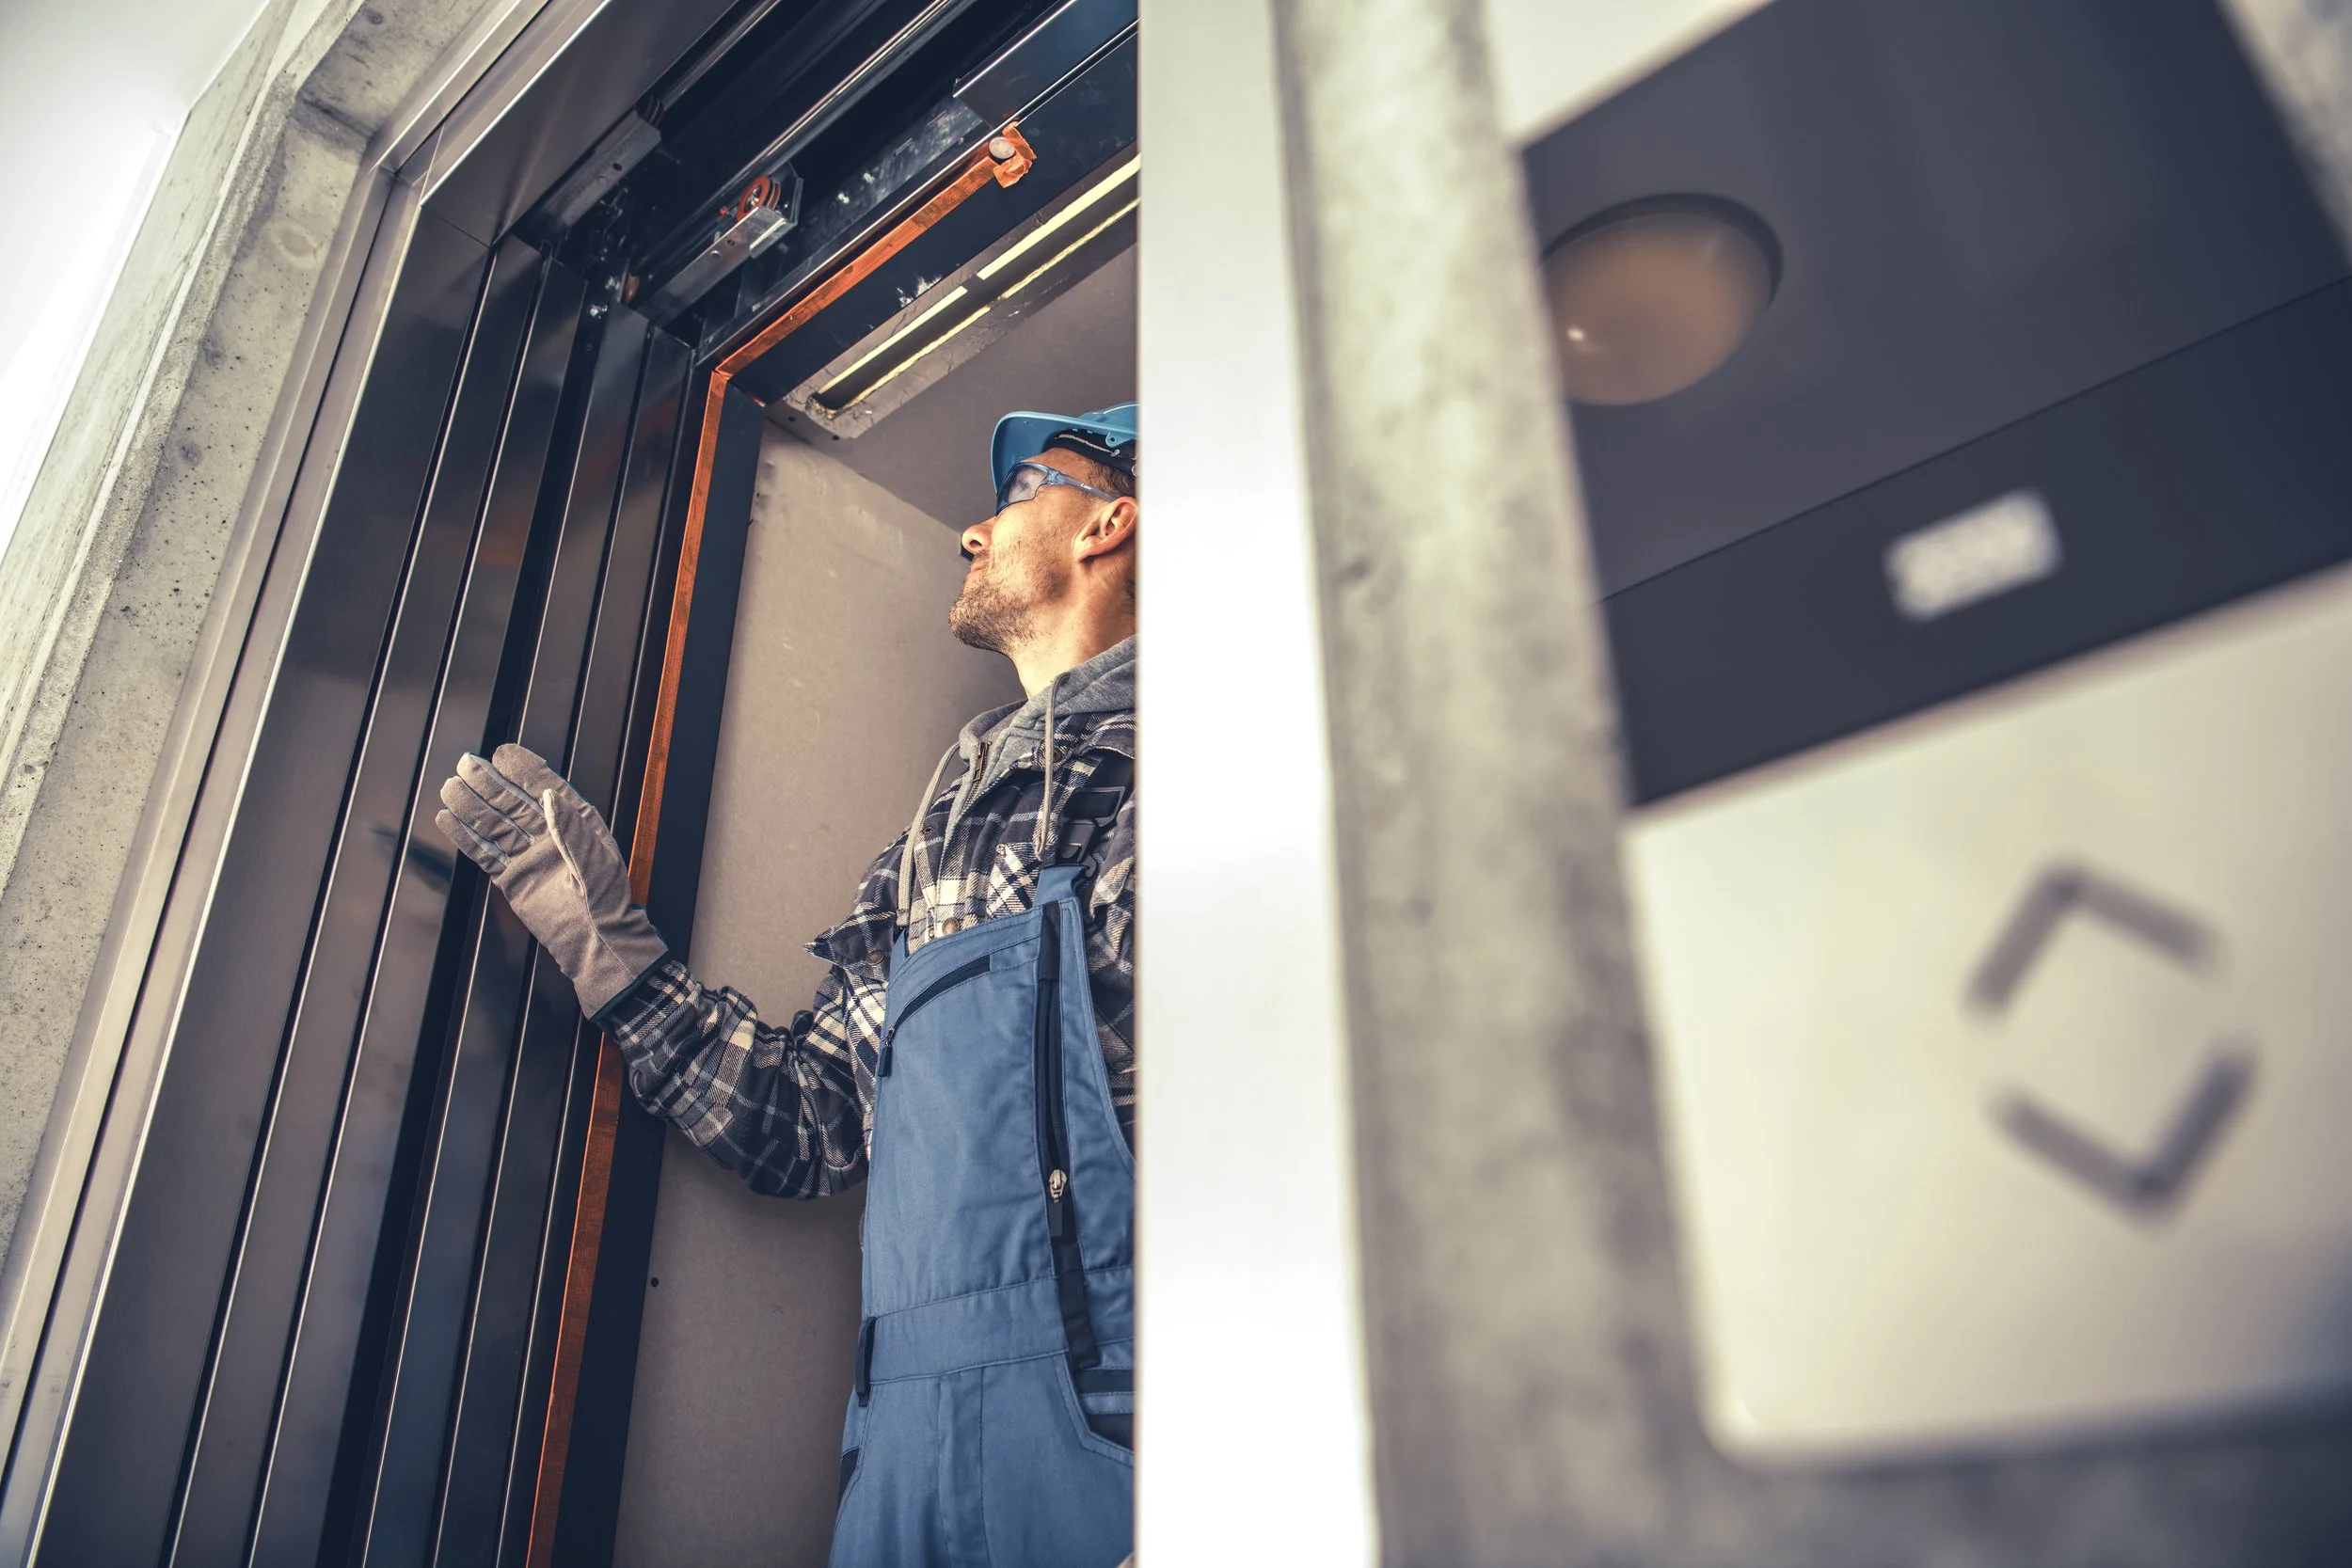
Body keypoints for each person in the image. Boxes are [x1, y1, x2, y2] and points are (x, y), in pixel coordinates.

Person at [434, 404, 1142, 1567]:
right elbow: (808, 1120)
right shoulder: (941, 829)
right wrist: (604, 942)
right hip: (898, 1460)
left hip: (1126, 1439)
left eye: (1019, 489)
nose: (972, 531)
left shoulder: (1206, 754)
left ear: (1111, 519)